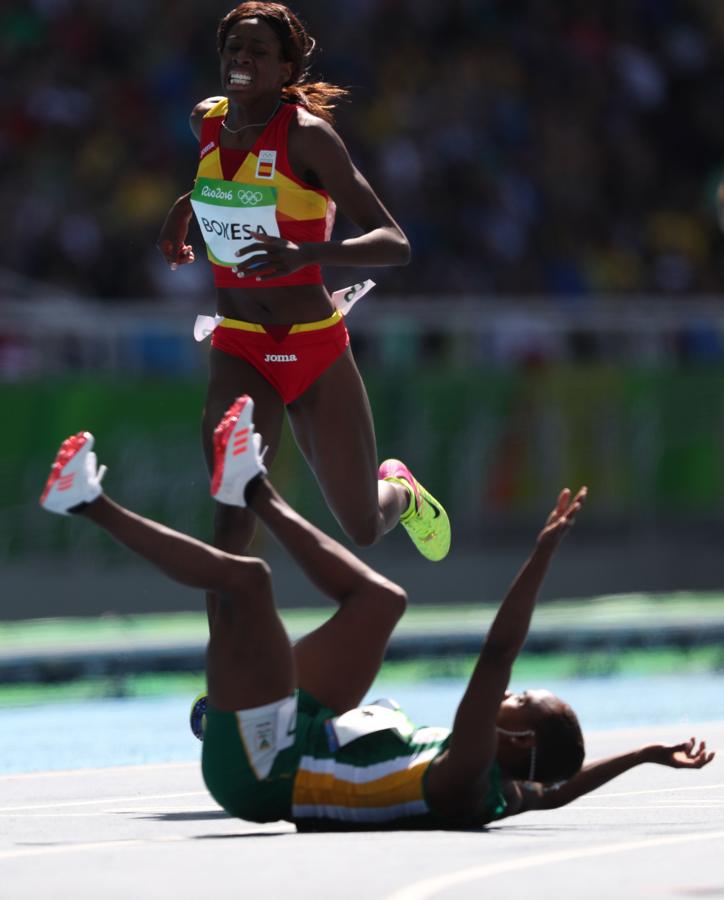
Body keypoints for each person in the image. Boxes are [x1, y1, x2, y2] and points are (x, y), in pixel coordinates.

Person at [39, 397, 714, 830]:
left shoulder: (465, 780)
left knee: (248, 584)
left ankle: (86, 503)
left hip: (262, 774)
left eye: (520, 703)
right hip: (302, 734)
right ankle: (255, 490)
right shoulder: (513, 790)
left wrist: (541, 554)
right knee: (382, 602)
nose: (504, 695)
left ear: (517, 743)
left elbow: (499, 651)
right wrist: (647, 753)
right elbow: (561, 790)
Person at [156, 1, 450, 583]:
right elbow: (225, 186)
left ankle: (403, 491)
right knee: (231, 518)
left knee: (363, 526)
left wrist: (308, 254)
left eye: (257, 52)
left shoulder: (310, 139)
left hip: (312, 346)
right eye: (233, 49)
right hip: (239, 342)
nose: (241, 59)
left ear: (286, 68)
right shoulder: (205, 122)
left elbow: (395, 242)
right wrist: (181, 211)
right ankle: (230, 676)